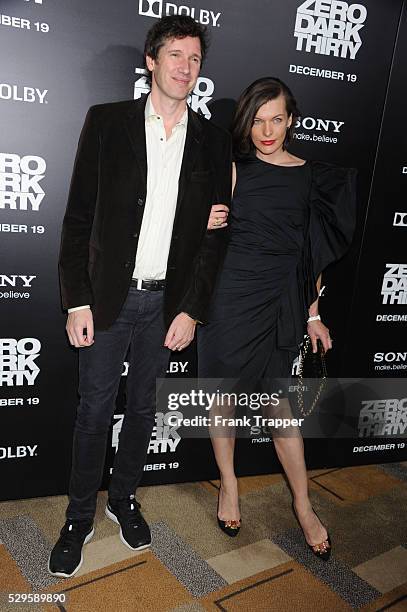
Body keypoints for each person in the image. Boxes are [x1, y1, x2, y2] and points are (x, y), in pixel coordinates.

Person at [49, 15, 231, 578]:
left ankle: (124, 499)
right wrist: (76, 299)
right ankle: (79, 517)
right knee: (93, 412)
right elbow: (78, 218)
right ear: (151, 61)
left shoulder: (209, 138)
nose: (186, 67)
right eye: (175, 55)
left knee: (144, 411)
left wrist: (192, 309)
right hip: (107, 299)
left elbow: (212, 238)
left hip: (167, 304)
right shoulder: (107, 123)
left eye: (195, 58)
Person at [201, 77, 356, 559]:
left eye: (276, 119)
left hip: (282, 299)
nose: (266, 131)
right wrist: (202, 219)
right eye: (257, 120)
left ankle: (304, 504)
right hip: (229, 296)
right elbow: (197, 228)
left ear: (291, 120)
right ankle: (229, 484)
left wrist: (313, 313)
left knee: (280, 408)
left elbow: (310, 255)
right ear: (246, 122)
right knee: (222, 394)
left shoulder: (311, 177)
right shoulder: (233, 168)